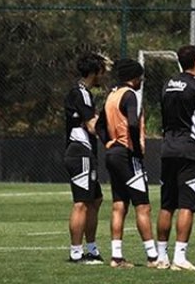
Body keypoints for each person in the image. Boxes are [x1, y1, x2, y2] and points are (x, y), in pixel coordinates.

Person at [153, 45, 195, 271]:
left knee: (167, 204)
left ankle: (161, 257)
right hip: (190, 149)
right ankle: (180, 257)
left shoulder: (167, 84)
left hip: (167, 148)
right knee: (187, 204)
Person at [102, 58, 161, 268]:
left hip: (112, 153)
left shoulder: (111, 95)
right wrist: (136, 148)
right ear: (134, 78)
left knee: (119, 205)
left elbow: (100, 124)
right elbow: (134, 124)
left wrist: (107, 142)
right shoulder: (130, 95)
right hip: (127, 154)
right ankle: (153, 256)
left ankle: (116, 257)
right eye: (141, 77)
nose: (142, 81)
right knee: (143, 206)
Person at [65, 53, 108, 265]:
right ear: (94, 71)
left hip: (86, 153)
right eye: (102, 70)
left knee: (95, 199)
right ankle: (76, 253)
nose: (104, 74)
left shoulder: (86, 94)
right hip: (79, 152)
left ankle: (91, 249)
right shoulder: (80, 93)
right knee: (81, 202)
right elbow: (92, 125)